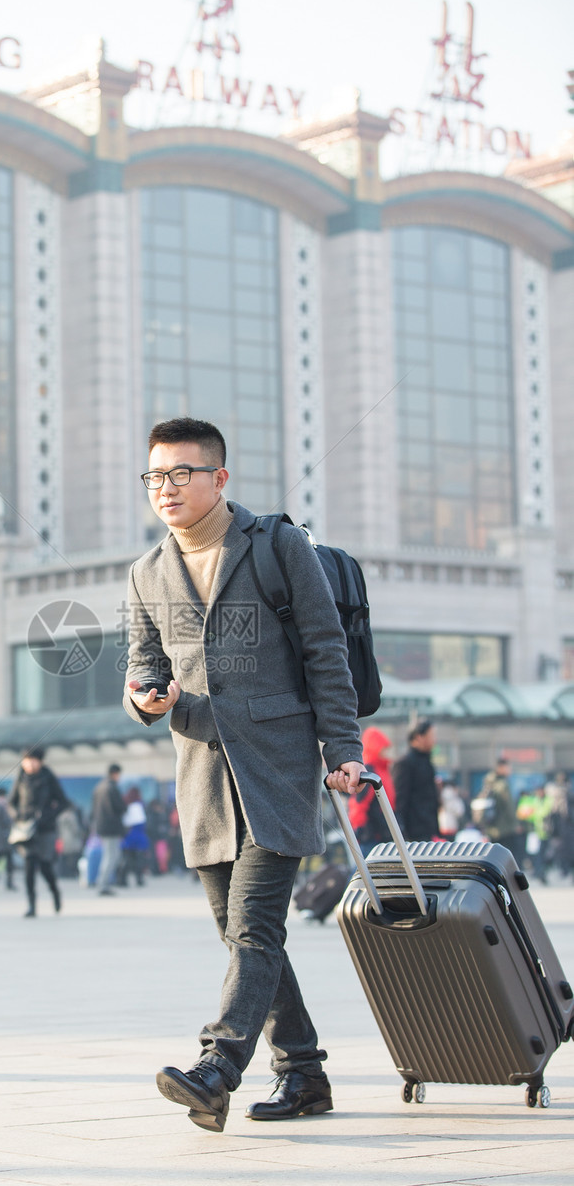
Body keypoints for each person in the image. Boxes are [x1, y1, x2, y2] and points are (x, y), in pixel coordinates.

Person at [123, 416, 364, 1132]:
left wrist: (342, 750)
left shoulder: (279, 546)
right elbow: (143, 666)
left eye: (181, 474)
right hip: (201, 775)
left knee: (255, 927)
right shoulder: (146, 573)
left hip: (279, 765)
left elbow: (326, 652)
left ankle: (216, 1067)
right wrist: (145, 697)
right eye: (155, 477)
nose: (166, 489)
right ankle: (304, 1074)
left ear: (219, 478)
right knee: (242, 937)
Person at [8, 747, 68, 917]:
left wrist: (48, 816)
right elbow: (11, 802)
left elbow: (63, 802)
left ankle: (55, 891)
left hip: (45, 829)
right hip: (25, 830)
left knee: (44, 866)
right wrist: (17, 816)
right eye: (26, 760)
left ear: (40, 762)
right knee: (28, 865)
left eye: (33, 760)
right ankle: (31, 905)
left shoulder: (48, 777)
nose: (29, 764)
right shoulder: (20, 777)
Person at [348, 727, 396, 856]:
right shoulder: (370, 770)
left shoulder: (381, 769)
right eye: (383, 748)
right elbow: (360, 803)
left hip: (380, 830)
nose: (386, 752)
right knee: (366, 869)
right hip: (371, 832)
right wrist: (361, 828)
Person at [392, 720, 440, 841]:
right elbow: (400, 799)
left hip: (428, 829)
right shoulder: (404, 764)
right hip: (413, 833)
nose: (434, 740)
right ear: (419, 737)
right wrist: (401, 831)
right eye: (431, 736)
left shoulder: (427, 762)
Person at [90, 764, 126, 896]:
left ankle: (103, 883)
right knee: (111, 857)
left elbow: (93, 809)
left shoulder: (98, 787)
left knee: (108, 855)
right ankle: (103, 885)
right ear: (115, 773)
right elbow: (120, 807)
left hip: (101, 827)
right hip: (111, 827)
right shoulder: (112, 788)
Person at [478, 757, 519, 852]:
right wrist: (515, 824)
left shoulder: (488, 783)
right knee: (506, 857)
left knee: (494, 856)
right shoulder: (502, 785)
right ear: (501, 768)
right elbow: (509, 806)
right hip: (504, 829)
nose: (510, 770)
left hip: (491, 828)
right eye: (508, 768)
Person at [119, 787, 149, 886]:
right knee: (139, 860)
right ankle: (139, 879)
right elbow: (142, 821)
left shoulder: (126, 805)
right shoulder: (138, 806)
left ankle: (122, 879)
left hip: (128, 836)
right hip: (138, 835)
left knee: (128, 859)